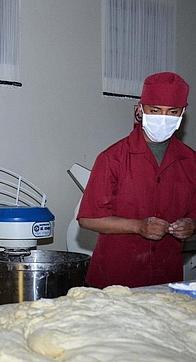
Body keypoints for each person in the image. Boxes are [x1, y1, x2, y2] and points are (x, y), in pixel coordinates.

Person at [78, 71, 195, 288]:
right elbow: (88, 218)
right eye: (155, 110)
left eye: (172, 112)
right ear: (140, 110)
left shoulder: (190, 162)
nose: (163, 118)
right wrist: (138, 226)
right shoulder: (113, 158)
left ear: (183, 114)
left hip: (166, 277)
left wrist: (191, 225)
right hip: (116, 277)